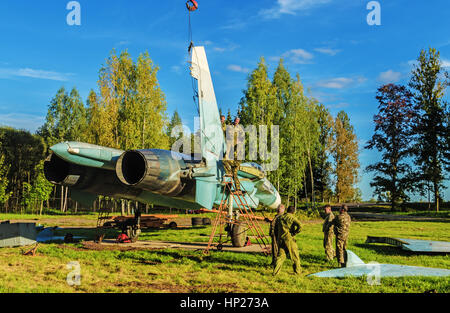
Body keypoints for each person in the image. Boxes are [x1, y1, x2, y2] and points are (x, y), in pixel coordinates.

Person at [273, 205, 302, 276]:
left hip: (281, 239)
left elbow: (275, 228)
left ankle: (275, 272)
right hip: (289, 239)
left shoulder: (280, 217)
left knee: (280, 256)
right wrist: (295, 232)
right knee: (295, 255)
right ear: (293, 211)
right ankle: (297, 272)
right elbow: (300, 226)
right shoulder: (291, 217)